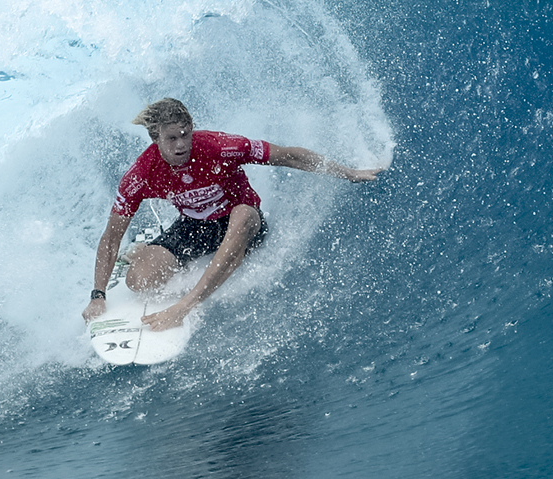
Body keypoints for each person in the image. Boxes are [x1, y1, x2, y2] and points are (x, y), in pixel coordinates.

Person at [82, 98, 383, 331]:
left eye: (185, 134)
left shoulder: (218, 147)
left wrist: (349, 173)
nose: (182, 144)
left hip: (239, 220)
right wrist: (98, 296)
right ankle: (141, 254)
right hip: (193, 226)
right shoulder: (141, 175)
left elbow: (287, 155)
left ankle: (186, 305)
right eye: (172, 138)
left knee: (244, 216)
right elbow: (111, 235)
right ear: (155, 138)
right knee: (139, 282)